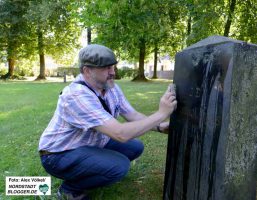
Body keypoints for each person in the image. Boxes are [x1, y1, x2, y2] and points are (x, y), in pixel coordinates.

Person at [38, 44, 177, 200]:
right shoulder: (76, 95)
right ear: (87, 71)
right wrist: (161, 113)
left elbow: (131, 114)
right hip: (58, 154)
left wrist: (159, 126)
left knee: (135, 147)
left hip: (86, 144)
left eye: (113, 66)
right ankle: (70, 189)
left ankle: (93, 170)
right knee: (120, 166)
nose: (113, 72)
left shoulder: (110, 87)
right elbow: (120, 134)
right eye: (105, 68)